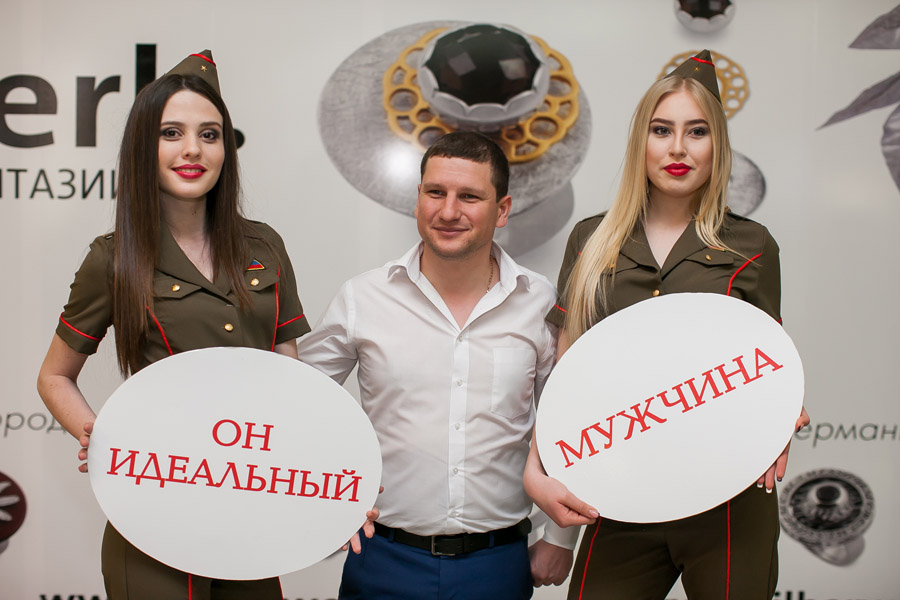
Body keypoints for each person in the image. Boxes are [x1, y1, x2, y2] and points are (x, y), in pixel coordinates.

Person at [523, 50, 810, 600]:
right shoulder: (590, 240)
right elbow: (567, 374)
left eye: (697, 131)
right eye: (662, 130)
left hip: (730, 494)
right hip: (620, 489)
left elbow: (772, 357)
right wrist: (539, 470)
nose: (678, 148)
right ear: (642, 142)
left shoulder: (753, 246)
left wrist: (785, 409)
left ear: (718, 146)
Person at [36, 51, 314, 599]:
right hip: (155, 509)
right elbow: (53, 376)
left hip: (251, 508)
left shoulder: (264, 245)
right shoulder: (113, 258)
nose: (193, 149)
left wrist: (324, 476)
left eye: (210, 134)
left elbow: (291, 377)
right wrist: (100, 437)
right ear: (143, 147)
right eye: (171, 133)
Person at [297, 131, 578, 599]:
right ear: (418, 200)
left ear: (502, 210)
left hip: (497, 564)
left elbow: (569, 422)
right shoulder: (363, 297)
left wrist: (560, 537)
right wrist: (323, 501)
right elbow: (294, 404)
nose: (448, 211)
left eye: (469, 196)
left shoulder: (540, 301)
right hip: (382, 559)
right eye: (435, 192)